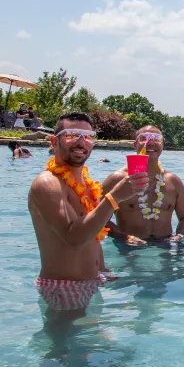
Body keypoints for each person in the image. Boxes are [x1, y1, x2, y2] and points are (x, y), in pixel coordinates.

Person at [27, 112, 148, 313]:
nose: (81, 142)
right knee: (63, 344)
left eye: (88, 136)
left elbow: (93, 231)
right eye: (71, 135)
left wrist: (103, 269)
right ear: (53, 141)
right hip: (64, 289)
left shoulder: (84, 181)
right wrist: (114, 197)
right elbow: (73, 238)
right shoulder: (48, 183)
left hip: (93, 281)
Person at [102, 126, 184, 248]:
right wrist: (124, 237)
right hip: (128, 249)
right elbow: (98, 216)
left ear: (163, 145)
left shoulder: (173, 181)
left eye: (156, 139)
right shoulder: (117, 179)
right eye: (144, 138)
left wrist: (179, 236)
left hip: (165, 247)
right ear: (135, 145)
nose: (150, 143)